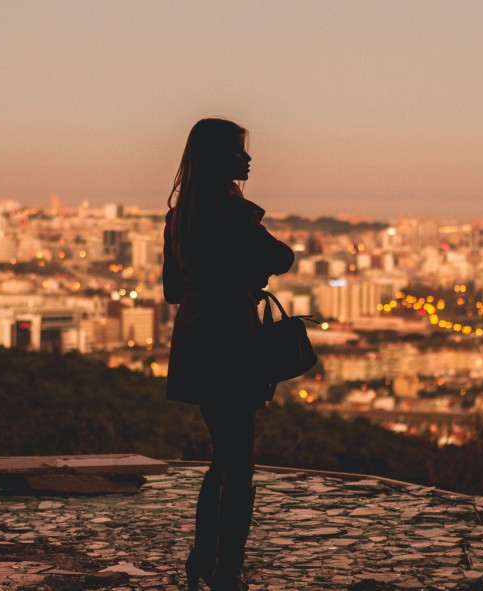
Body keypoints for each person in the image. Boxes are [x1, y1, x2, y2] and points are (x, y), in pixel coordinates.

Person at [162, 118, 294, 591]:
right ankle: (227, 570)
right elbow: (283, 258)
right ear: (219, 158)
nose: (248, 158)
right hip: (234, 341)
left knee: (224, 454)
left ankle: (204, 557)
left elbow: (172, 291)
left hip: (196, 341)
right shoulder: (233, 213)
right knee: (238, 464)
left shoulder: (179, 217)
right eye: (239, 151)